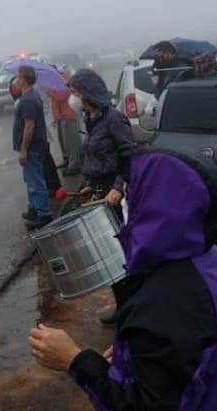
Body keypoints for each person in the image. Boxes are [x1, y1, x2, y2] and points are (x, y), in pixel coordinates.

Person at [30, 148, 217, 411]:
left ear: (155, 205)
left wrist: (75, 359)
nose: (127, 203)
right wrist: (129, 350)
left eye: (134, 195)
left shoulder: (162, 305)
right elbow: (200, 345)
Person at [68, 69, 135, 326]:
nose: (72, 97)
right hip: (98, 189)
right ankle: (122, 304)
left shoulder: (114, 119)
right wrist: (88, 184)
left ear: (86, 93)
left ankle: (131, 307)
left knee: (121, 251)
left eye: (75, 92)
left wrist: (117, 187)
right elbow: (93, 155)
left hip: (114, 192)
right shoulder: (91, 118)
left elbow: (129, 155)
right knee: (109, 251)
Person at [13, 66, 53, 230]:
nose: (16, 79)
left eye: (18, 76)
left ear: (24, 79)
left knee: (35, 181)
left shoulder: (29, 99)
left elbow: (29, 126)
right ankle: (35, 209)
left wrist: (23, 150)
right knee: (31, 179)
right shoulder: (29, 96)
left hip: (32, 147)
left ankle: (44, 214)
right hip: (34, 146)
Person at [48, 70, 81, 176]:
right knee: (64, 142)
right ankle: (67, 160)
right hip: (60, 117)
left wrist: (50, 92)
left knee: (72, 143)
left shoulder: (64, 80)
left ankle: (74, 166)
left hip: (68, 116)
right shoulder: (54, 82)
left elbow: (62, 95)